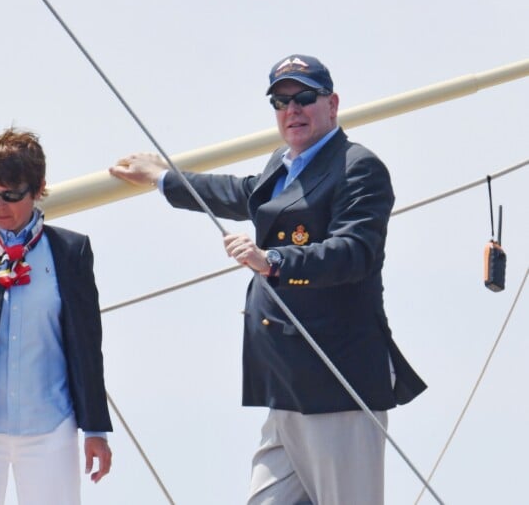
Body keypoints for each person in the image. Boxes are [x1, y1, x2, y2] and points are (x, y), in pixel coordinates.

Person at [110, 54, 426, 505]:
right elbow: (243, 193)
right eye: (281, 101)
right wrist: (162, 179)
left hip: (337, 384)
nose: (292, 110)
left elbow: (353, 254)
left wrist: (272, 259)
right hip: (286, 384)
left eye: (305, 98)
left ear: (332, 104)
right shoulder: (284, 161)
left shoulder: (358, 167)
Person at [0, 128, 112, 505]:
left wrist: (97, 430)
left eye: (11, 195)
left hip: (50, 428)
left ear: (38, 189)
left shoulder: (71, 251)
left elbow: (87, 345)